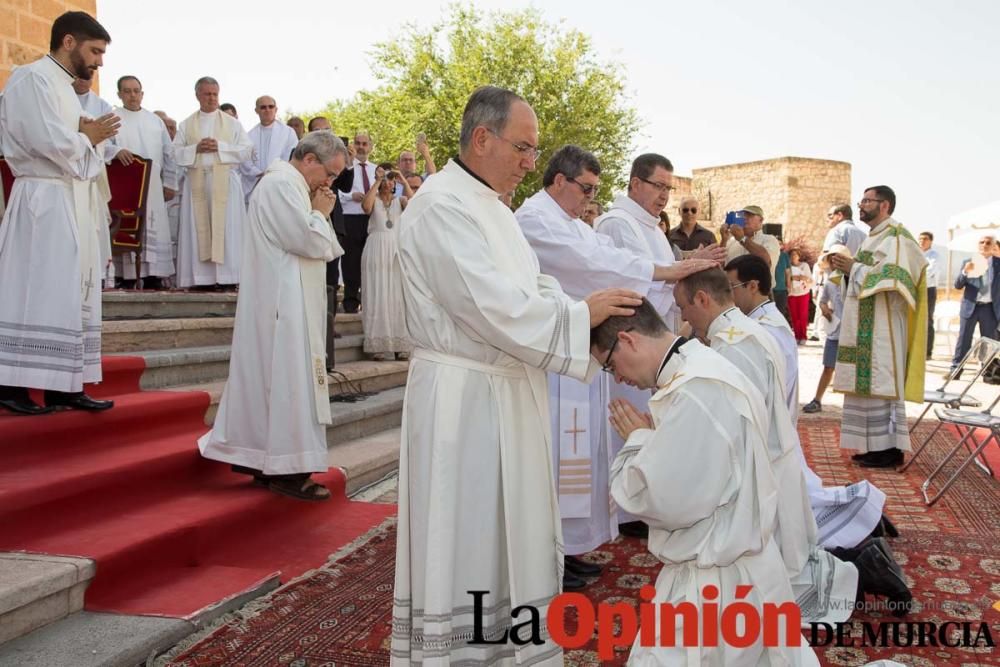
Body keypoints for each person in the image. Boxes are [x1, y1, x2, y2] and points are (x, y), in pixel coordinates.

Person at [390, 85, 642, 665]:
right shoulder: (441, 206)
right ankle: (459, 653)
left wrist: (586, 315)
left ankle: (506, 649)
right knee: (470, 533)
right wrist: (581, 317)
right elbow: (491, 306)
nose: (532, 162)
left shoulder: (493, 209)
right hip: (463, 400)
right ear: (482, 139)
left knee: (511, 533)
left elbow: (535, 286)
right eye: (524, 147)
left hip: (506, 390)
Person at [515, 144, 716, 590]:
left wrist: (673, 269)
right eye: (584, 188)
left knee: (578, 458)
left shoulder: (567, 220)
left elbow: (605, 255)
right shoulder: (535, 219)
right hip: (557, 355)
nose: (589, 199)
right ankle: (549, 556)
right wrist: (668, 272)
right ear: (559, 180)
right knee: (558, 460)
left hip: (579, 352)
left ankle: (566, 550)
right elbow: (596, 265)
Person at [593, 300, 819, 666]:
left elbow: (664, 501)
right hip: (739, 568)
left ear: (628, 340)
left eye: (609, 365)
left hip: (713, 583)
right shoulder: (702, 369)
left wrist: (638, 441)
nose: (617, 378)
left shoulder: (696, 390)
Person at [674, 269, 865, 625]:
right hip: (776, 456)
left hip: (763, 465)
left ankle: (860, 572)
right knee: (785, 559)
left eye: (684, 307)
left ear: (702, 299)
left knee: (777, 575)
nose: (683, 317)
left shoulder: (734, 344)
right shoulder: (746, 332)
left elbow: (738, 418)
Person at [198, 131, 347, 500]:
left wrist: (317, 215)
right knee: (288, 384)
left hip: (288, 299)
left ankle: (268, 462)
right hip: (285, 303)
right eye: (329, 174)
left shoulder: (292, 185)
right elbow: (311, 241)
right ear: (309, 159)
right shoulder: (283, 184)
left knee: (279, 382)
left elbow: (323, 246)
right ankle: (287, 469)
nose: (329, 183)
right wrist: (321, 213)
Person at [594, 152, 726, 537]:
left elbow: (662, 279)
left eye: (669, 187)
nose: (665, 195)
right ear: (635, 183)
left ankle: (643, 499)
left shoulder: (650, 228)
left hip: (655, 342)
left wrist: (689, 264)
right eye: (659, 186)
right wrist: (680, 272)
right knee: (627, 417)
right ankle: (624, 507)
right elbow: (627, 285)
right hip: (630, 343)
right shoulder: (618, 224)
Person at [727, 254, 895, 550]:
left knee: (792, 509)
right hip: (775, 425)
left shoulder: (766, 328)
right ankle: (862, 513)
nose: (729, 295)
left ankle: (860, 517)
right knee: (794, 496)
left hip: (772, 426)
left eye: (732, 287)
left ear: (752, 286)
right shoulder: (762, 320)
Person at [0, 11, 119, 415]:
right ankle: (11, 384)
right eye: (95, 51)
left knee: (70, 291)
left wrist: (89, 137)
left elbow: (74, 141)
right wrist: (86, 137)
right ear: (69, 42)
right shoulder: (31, 78)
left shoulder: (67, 89)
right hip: (43, 201)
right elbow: (45, 140)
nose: (99, 61)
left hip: (71, 199)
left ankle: (64, 385)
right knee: (35, 289)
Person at [829, 186, 927, 469]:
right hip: (865, 323)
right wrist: (846, 271)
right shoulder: (874, 238)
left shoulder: (898, 237)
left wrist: (854, 269)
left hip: (884, 325)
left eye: (867, 201)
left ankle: (890, 449)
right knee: (867, 388)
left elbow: (898, 280)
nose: (861, 205)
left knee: (881, 382)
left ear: (884, 205)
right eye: (861, 201)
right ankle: (873, 446)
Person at [173, 77, 253, 290]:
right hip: (198, 182)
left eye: (214, 94)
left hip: (225, 182)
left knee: (227, 231)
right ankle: (201, 279)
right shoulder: (186, 124)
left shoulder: (232, 124)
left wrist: (221, 147)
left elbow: (247, 150)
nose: (211, 98)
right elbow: (174, 152)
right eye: (207, 94)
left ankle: (228, 278)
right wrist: (195, 149)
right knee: (198, 230)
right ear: (197, 95)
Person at [112, 75, 178, 289]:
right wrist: (116, 150)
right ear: (119, 94)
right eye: (127, 91)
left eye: (136, 90)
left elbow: (169, 154)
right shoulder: (113, 118)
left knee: (155, 227)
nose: (132, 95)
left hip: (152, 187)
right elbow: (101, 146)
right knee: (127, 226)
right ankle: (126, 275)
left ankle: (154, 276)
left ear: (142, 93)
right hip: (124, 188)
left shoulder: (155, 121)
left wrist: (170, 183)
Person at [361, 163, 413, 360]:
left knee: (397, 295)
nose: (387, 182)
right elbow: (365, 207)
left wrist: (402, 179)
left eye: (390, 179)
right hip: (375, 248)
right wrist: (377, 181)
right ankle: (379, 344)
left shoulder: (400, 201)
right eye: (385, 178)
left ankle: (400, 343)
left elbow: (415, 203)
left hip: (395, 249)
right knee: (377, 294)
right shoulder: (373, 199)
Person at [802, 247, 848, 414]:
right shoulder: (830, 282)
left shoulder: (854, 280)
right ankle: (817, 400)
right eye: (832, 259)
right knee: (828, 367)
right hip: (835, 330)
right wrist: (824, 309)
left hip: (852, 333)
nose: (835, 262)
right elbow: (822, 300)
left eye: (838, 259)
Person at [337, 131, 376, 313]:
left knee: (371, 262)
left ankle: (369, 301)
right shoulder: (345, 167)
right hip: (350, 218)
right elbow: (337, 190)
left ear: (370, 146)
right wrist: (350, 195)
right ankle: (351, 302)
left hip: (372, 219)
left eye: (364, 143)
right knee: (351, 262)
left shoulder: (376, 169)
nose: (361, 147)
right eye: (358, 143)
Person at [950, 234, 1000, 373]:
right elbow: (958, 285)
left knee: (988, 341)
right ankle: (956, 368)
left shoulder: (998, 263)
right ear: (978, 245)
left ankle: (987, 370)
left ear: (994, 245)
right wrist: (965, 271)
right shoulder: (968, 261)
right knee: (964, 339)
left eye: (988, 242)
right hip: (970, 306)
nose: (984, 244)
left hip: (990, 309)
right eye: (981, 242)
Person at [242, 96, 298, 204]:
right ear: (256, 111)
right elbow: (245, 160)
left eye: (271, 107)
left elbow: (291, 156)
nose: (267, 110)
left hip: (280, 182)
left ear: (276, 109)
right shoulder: (249, 136)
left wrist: (273, 173)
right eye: (263, 107)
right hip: (256, 183)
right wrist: (258, 173)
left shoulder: (288, 132)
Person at [720, 204, 781, 277]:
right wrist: (724, 240)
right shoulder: (732, 241)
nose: (745, 218)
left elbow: (766, 261)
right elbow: (719, 265)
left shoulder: (770, 239)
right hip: (732, 287)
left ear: (761, 220)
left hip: (758, 288)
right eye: (743, 215)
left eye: (750, 215)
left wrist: (742, 239)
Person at [919, 231, 939, 359]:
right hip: (916, 289)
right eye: (920, 239)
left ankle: (927, 352)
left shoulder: (934, 256)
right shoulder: (915, 254)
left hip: (928, 290)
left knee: (927, 320)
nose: (922, 241)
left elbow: (930, 271)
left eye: (925, 239)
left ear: (930, 241)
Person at [787, 248, 813, 343]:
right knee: (794, 316)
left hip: (803, 293)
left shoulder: (804, 265)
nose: (793, 256)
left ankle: (803, 336)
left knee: (802, 316)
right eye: (792, 255)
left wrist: (796, 278)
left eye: (795, 254)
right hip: (792, 294)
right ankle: (797, 336)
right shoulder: (788, 266)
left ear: (799, 256)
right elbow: (787, 279)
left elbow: (809, 279)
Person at [772, 245, 792, 322]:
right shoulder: (768, 253)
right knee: (771, 314)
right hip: (770, 290)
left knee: (780, 313)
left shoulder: (784, 255)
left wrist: (789, 286)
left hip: (782, 289)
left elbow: (788, 272)